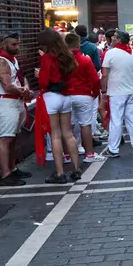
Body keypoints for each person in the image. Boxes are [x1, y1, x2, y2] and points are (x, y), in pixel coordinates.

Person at [37, 29, 83, 183]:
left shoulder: (47, 58)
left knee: (55, 135)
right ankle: (76, 169)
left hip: (51, 97)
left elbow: (43, 82)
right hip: (66, 96)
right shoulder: (67, 55)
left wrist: (39, 74)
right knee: (68, 134)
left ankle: (60, 173)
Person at [0, 33, 33, 186]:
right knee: (6, 138)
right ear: (4, 45)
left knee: (14, 137)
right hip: (7, 103)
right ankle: (5, 174)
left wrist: (26, 88)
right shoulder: (0, 61)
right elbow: (7, 86)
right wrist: (25, 91)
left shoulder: (12, 60)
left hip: (17, 102)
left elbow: (21, 77)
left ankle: (13, 168)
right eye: (14, 45)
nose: (17, 47)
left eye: (18, 44)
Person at [100, 30, 133, 157]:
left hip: (115, 91)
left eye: (114, 37)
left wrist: (103, 90)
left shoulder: (110, 53)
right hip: (130, 90)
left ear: (119, 40)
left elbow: (104, 75)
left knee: (116, 120)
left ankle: (113, 148)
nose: (112, 38)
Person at [64, 33, 105, 163]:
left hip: (66, 95)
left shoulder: (61, 60)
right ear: (78, 44)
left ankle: (67, 155)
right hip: (84, 95)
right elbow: (94, 79)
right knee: (85, 125)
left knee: (67, 126)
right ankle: (89, 154)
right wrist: (94, 94)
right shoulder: (85, 59)